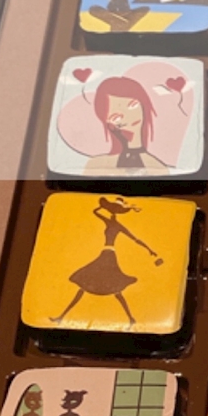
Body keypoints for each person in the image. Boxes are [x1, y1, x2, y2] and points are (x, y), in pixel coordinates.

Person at [50, 196, 163, 327]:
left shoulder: (118, 226)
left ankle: (61, 317)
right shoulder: (108, 222)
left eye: (115, 210)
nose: (113, 212)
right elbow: (95, 212)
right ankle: (61, 317)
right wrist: (103, 206)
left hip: (109, 255)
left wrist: (149, 250)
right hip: (105, 253)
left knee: (103, 287)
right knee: (91, 286)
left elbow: (135, 239)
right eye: (112, 209)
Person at [85, 76, 168, 174]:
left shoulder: (158, 167)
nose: (129, 117)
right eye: (116, 117)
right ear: (109, 123)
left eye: (133, 105)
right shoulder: (95, 165)